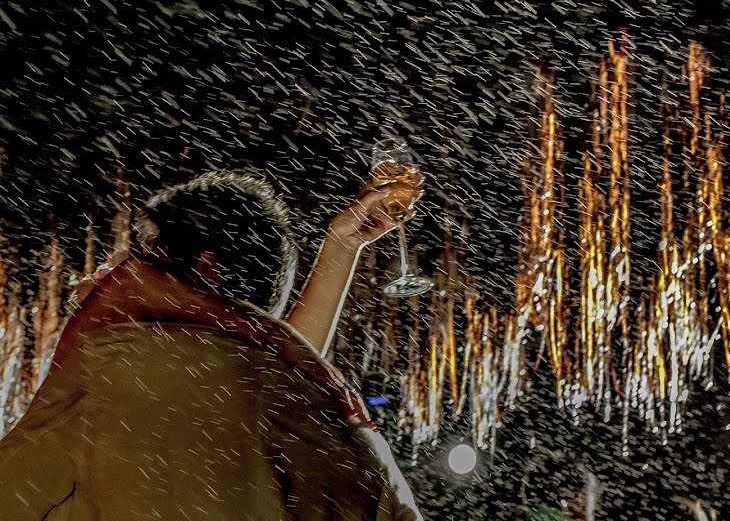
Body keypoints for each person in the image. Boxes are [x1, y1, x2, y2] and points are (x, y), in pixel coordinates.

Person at [0, 171, 422, 520]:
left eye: (149, 254)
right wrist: (343, 246)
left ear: (204, 268)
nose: (120, 269)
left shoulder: (117, 369)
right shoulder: (318, 408)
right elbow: (254, 366)